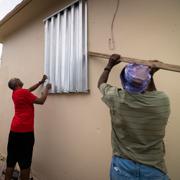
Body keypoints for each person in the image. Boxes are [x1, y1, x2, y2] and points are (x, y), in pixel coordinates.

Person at [98, 54, 170, 180]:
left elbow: (101, 84)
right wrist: (149, 74)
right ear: (146, 83)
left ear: (124, 82)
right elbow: (152, 95)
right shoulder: (162, 101)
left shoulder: (116, 98)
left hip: (122, 167)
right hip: (153, 168)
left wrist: (109, 65)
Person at [5, 75, 51, 180]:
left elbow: (29, 90)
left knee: (11, 161)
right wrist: (46, 89)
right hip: (25, 133)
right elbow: (41, 101)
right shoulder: (23, 93)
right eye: (17, 79)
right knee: (25, 163)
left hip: (14, 131)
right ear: (16, 84)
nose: (19, 78)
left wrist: (40, 82)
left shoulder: (15, 93)